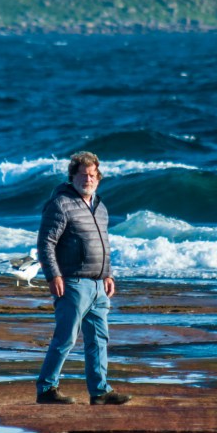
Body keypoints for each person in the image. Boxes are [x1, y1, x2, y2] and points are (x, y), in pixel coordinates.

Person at [35, 151, 131, 405]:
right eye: (83, 175)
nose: (88, 179)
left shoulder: (100, 207)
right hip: (73, 283)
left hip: (99, 285)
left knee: (99, 339)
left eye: (92, 175)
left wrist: (107, 274)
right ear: (72, 177)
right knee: (65, 338)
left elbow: (105, 244)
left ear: (98, 178)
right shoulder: (61, 204)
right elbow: (46, 243)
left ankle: (100, 392)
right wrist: (53, 275)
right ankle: (46, 389)